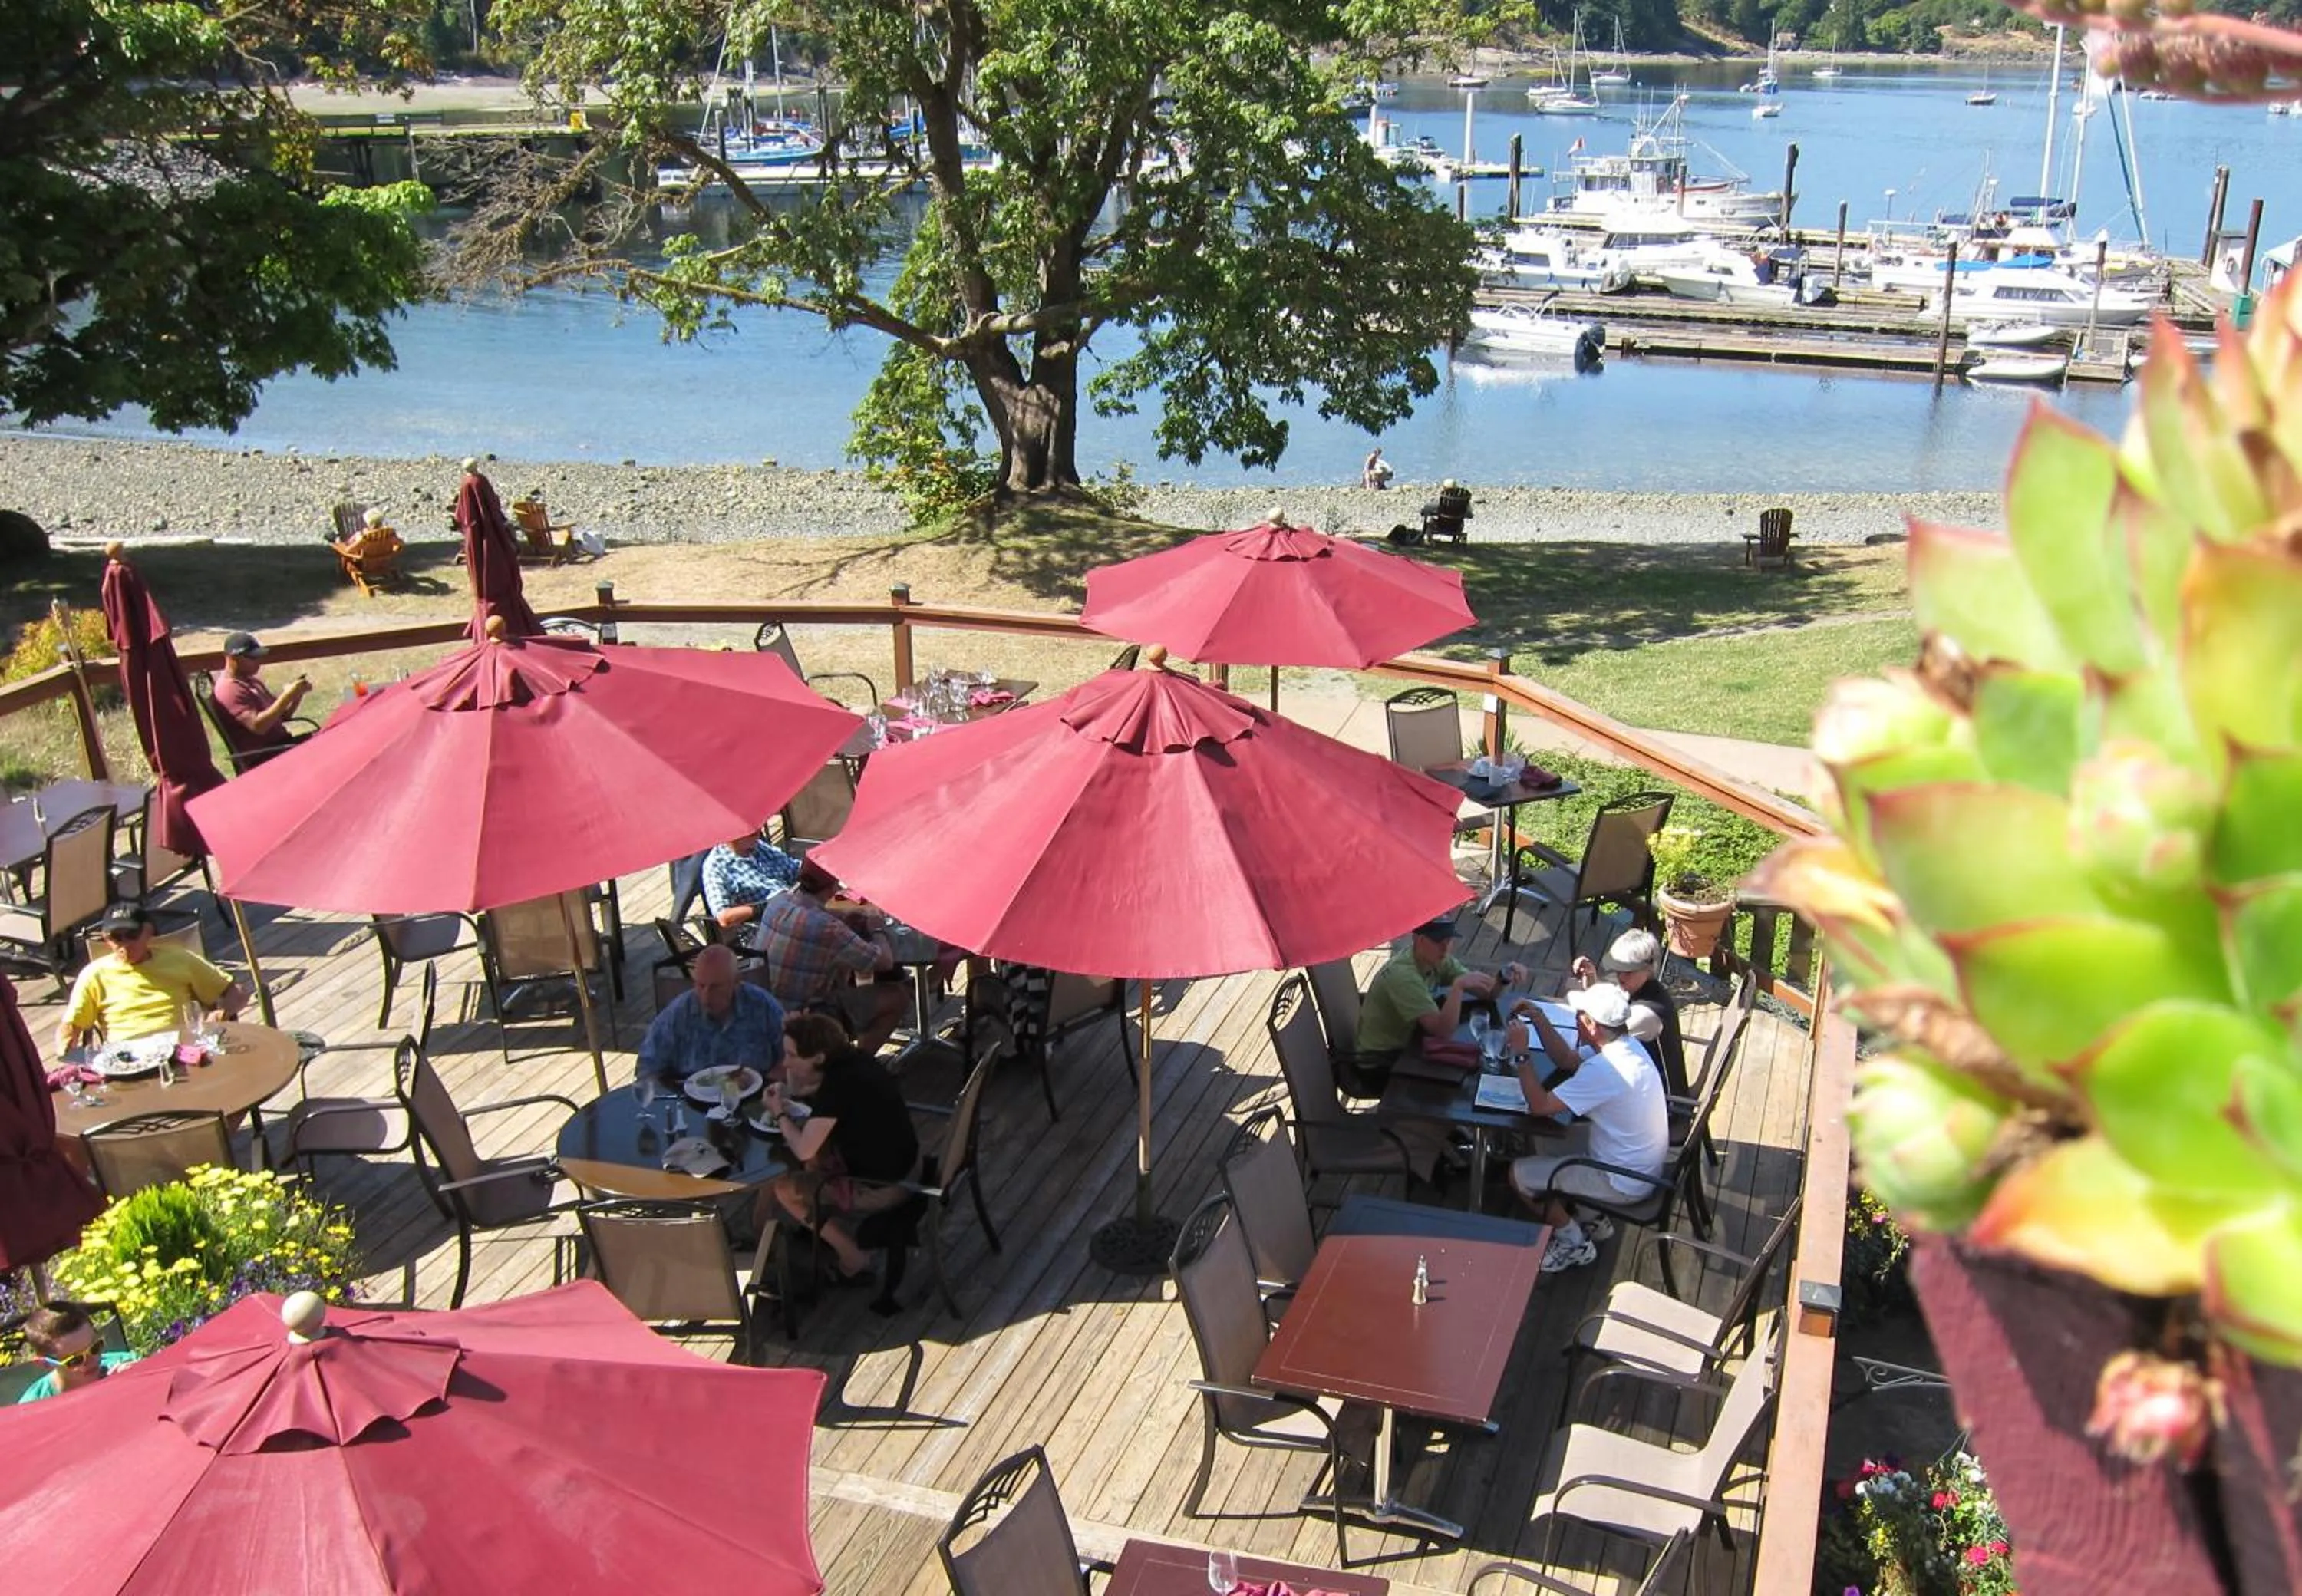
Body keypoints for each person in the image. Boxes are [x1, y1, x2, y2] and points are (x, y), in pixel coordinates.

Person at [1503, 983, 1670, 1274]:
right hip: (1640, 1165)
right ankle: (1592, 1217)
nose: (1575, 1018)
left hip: (1623, 1181)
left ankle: (1573, 1242)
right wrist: (1539, 1017)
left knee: (1517, 1175)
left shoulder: (1604, 1070)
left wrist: (1521, 1053)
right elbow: (1567, 1060)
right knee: (1541, 1139)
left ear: (1591, 1024)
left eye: (1579, 1014)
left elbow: (1539, 1105)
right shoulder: (1626, 1047)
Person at [757, 1012, 923, 1288]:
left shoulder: (836, 1090)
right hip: (909, 1162)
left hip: (886, 1187)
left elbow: (803, 1150)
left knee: (785, 1188)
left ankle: (853, 1257)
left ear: (819, 1058)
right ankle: (819, 1222)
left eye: (792, 1055)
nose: (785, 1062)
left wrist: (778, 1113)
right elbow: (801, 1089)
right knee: (815, 1159)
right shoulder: (853, 1059)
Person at [754, 859, 906, 1054]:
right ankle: (857, 1063)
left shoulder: (779, 902)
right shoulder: (828, 928)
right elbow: (884, 961)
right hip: (803, 1015)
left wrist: (845, 920)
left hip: (765, 1006)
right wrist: (877, 928)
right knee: (897, 998)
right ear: (833, 887)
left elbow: (815, 919)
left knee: (850, 970)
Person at [57, 905, 246, 1055]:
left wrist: (221, 1013)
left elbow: (237, 991)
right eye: (116, 938)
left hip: (180, 1048)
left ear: (148, 932)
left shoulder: (179, 958)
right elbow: (71, 1025)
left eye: (132, 935)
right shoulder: (94, 974)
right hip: (126, 1055)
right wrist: (65, 1047)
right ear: (106, 939)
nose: (124, 945)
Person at [1354, 915, 1529, 1059]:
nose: (1445, 949)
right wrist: (1458, 987)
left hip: (1412, 1040)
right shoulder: (1403, 976)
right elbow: (1442, 1031)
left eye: (1449, 941)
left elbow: (1488, 993)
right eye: (1439, 942)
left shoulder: (1437, 959)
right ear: (1419, 940)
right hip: (1379, 1059)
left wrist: (1504, 976)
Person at [635, 942, 784, 1088]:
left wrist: (769, 1086)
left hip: (752, 1099)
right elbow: (647, 1067)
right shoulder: (678, 1013)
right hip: (691, 1103)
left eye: (715, 987)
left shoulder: (763, 1007)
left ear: (737, 982)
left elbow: (790, 1058)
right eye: (700, 985)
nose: (705, 996)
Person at [1571, 928, 1686, 1097]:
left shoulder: (1644, 1015)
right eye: (1618, 970)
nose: (1621, 977)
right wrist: (1591, 981)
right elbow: (1606, 1015)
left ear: (1648, 969)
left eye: (1628, 971)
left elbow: (1597, 1035)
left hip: (1663, 1102)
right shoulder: (1640, 988)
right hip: (1640, 1083)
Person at [209, 631, 312, 760]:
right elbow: (259, 727)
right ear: (232, 658)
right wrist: (287, 695)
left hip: (281, 746)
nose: (259, 662)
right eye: (252, 657)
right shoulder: (228, 689)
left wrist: (296, 695)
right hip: (266, 757)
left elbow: (283, 715)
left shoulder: (252, 681)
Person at [15, 1302, 138, 1402]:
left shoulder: (126, 1364)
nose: (92, 1360)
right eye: (76, 1360)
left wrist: (134, 1383)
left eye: (95, 1348)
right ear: (45, 1363)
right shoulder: (33, 1407)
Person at [701, 829, 803, 932]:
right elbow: (724, 918)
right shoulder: (716, 866)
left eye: (758, 831)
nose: (757, 836)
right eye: (752, 834)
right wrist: (764, 907)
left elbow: (794, 869)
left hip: (795, 909)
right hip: (766, 927)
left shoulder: (759, 846)